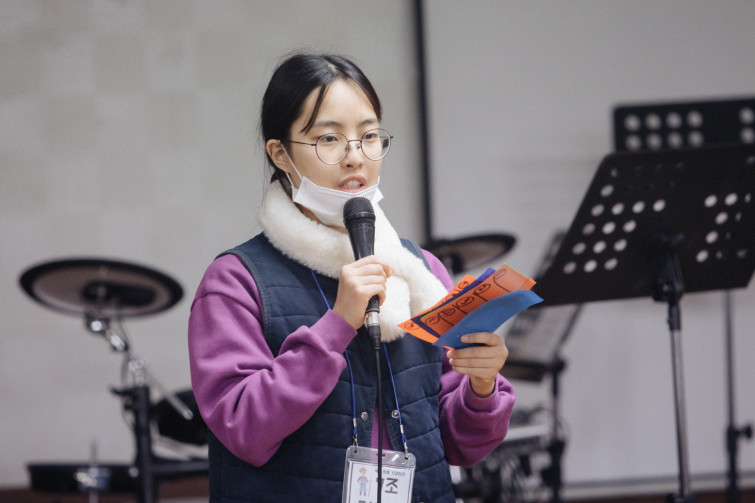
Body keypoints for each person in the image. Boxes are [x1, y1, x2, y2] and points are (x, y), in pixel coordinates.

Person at [188, 52, 516, 503]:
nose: (355, 157)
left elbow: (460, 445)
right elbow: (243, 428)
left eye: (368, 136)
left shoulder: (420, 271)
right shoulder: (235, 281)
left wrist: (481, 387)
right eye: (329, 139)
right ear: (280, 154)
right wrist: (337, 324)